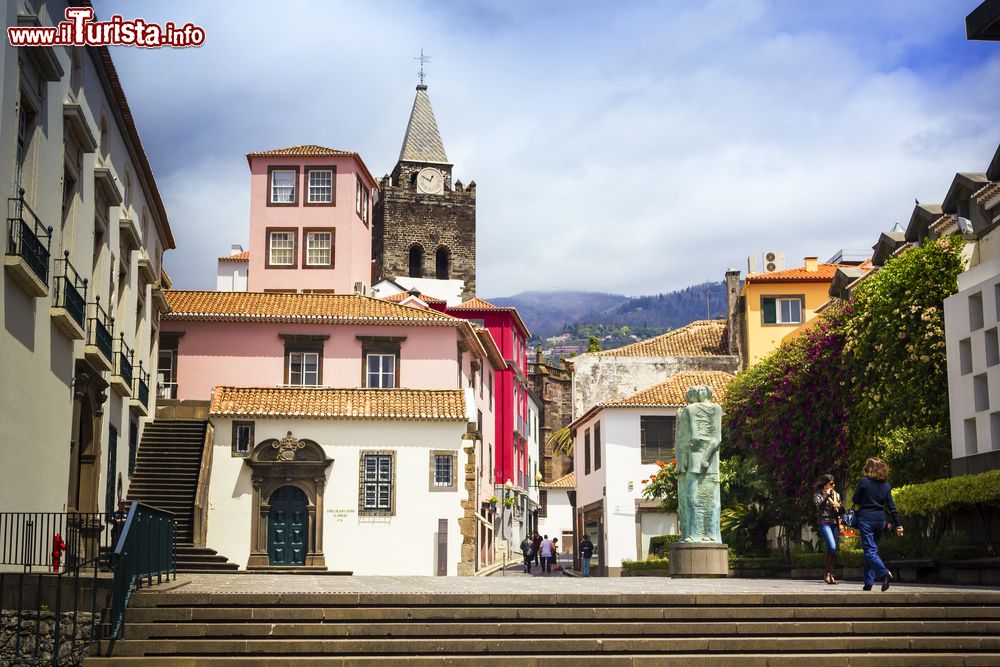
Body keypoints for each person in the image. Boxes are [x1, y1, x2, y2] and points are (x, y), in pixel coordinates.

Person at [853, 457, 903, 591]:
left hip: (866, 519)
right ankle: (868, 583)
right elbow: (892, 507)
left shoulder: (864, 482)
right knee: (872, 550)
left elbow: (855, 499)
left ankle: (884, 573)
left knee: (869, 551)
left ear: (869, 469)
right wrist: (898, 524)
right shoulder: (886, 486)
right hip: (881, 521)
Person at [813, 474, 843, 585]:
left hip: (835, 523)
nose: (833, 485)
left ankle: (831, 574)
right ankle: (827, 573)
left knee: (833, 549)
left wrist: (839, 506)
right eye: (831, 483)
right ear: (825, 485)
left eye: (834, 483)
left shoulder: (837, 495)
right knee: (832, 546)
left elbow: (842, 510)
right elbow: (818, 505)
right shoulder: (818, 494)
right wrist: (826, 495)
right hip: (824, 522)